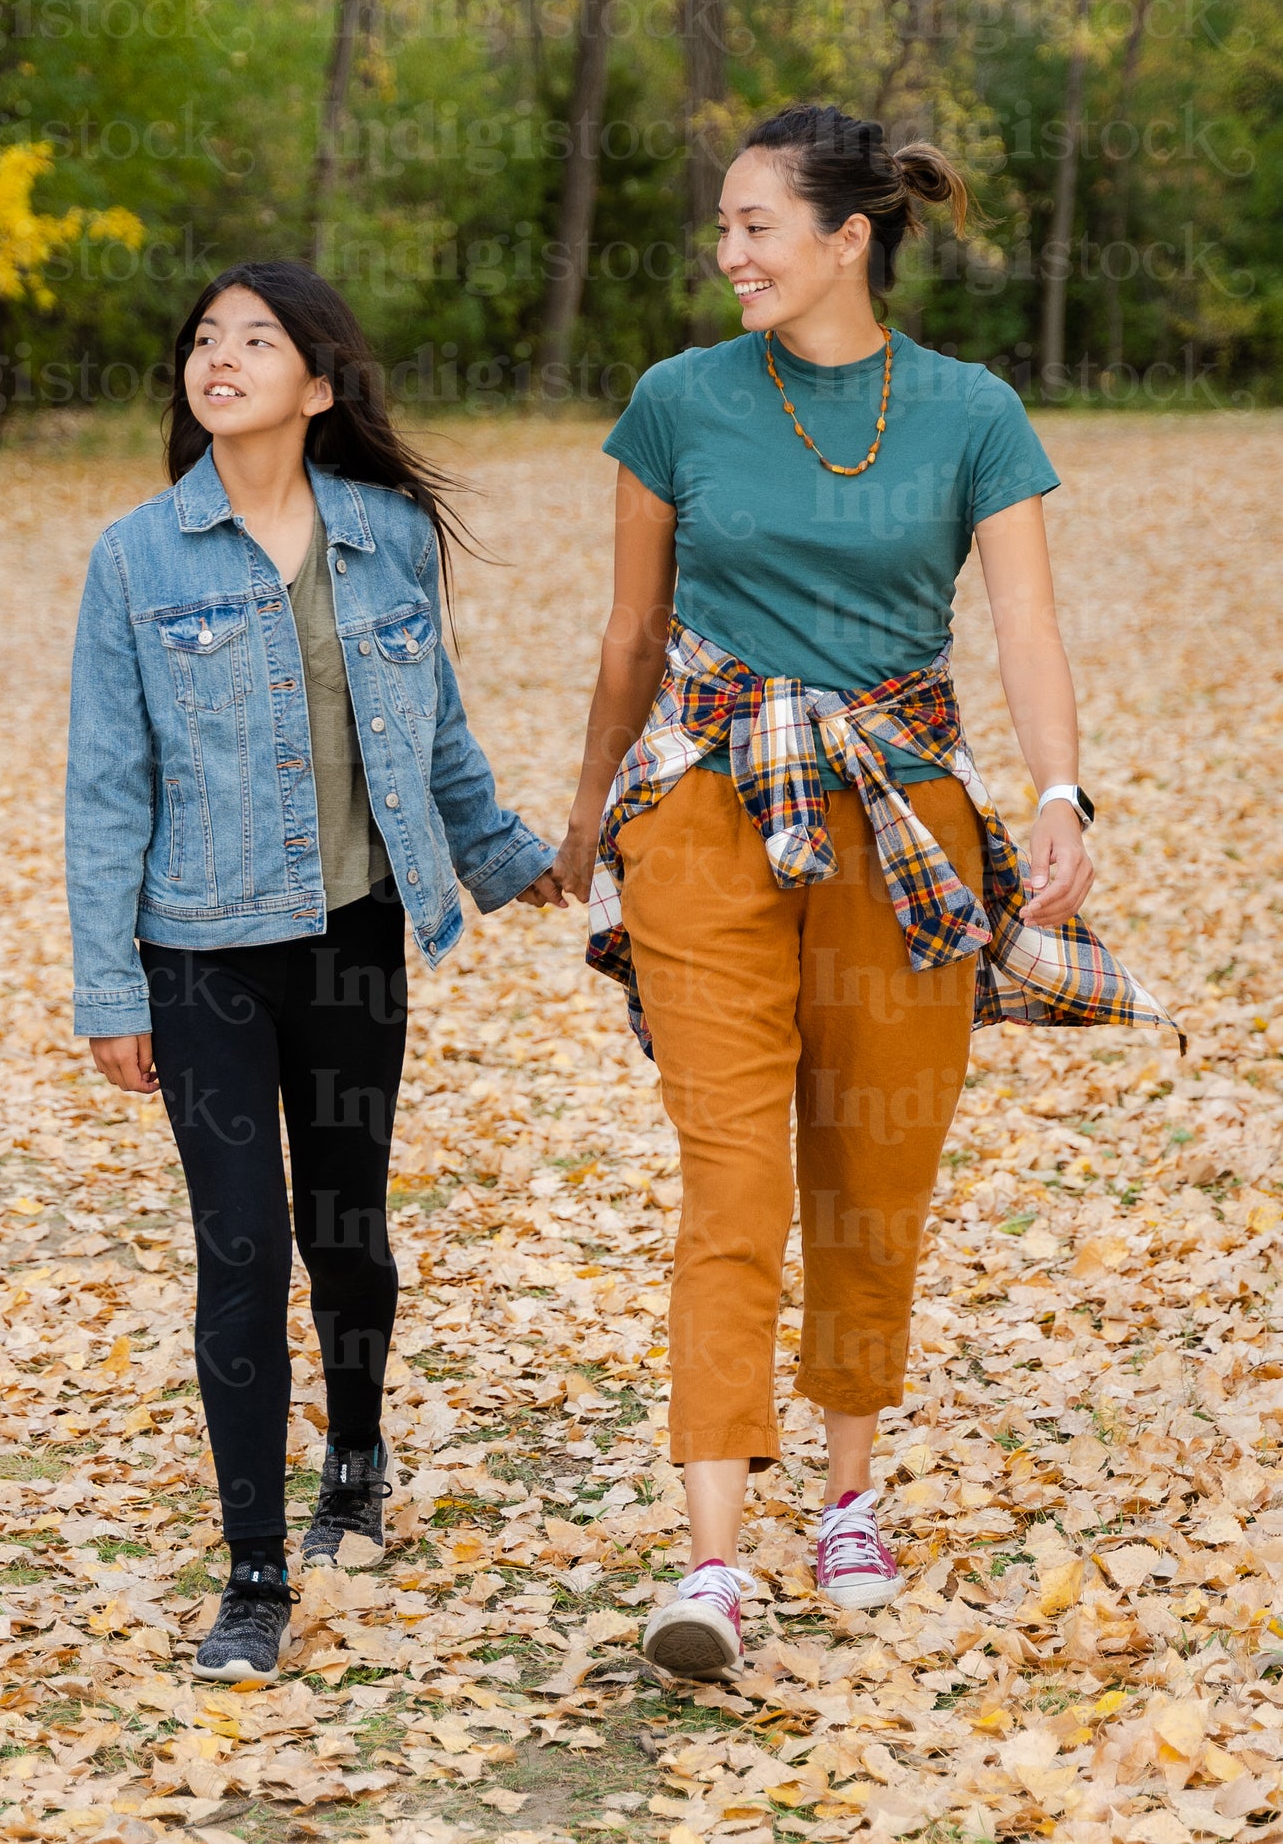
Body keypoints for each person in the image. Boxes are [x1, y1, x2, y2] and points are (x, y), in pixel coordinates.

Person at [554, 103, 1179, 1681]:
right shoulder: (677, 401)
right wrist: (585, 815)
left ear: (849, 239)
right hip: (703, 815)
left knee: (869, 1178)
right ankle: (710, 1559)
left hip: (902, 828)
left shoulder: (971, 411)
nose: (727, 253)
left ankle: (847, 1495)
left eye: (756, 225)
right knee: (732, 1177)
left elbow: (1027, 626)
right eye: (721, 226)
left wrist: (1054, 791)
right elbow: (632, 637)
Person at [65, 260, 562, 1684]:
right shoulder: (137, 558)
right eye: (205, 339)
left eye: (257, 339)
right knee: (240, 1249)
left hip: (353, 937)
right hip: (199, 953)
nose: (220, 357)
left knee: (344, 1226)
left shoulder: (386, 537)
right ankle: (253, 1572)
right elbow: (106, 786)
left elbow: (438, 731)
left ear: (321, 383)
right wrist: (111, 988)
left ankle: (355, 1448)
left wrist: (518, 856)